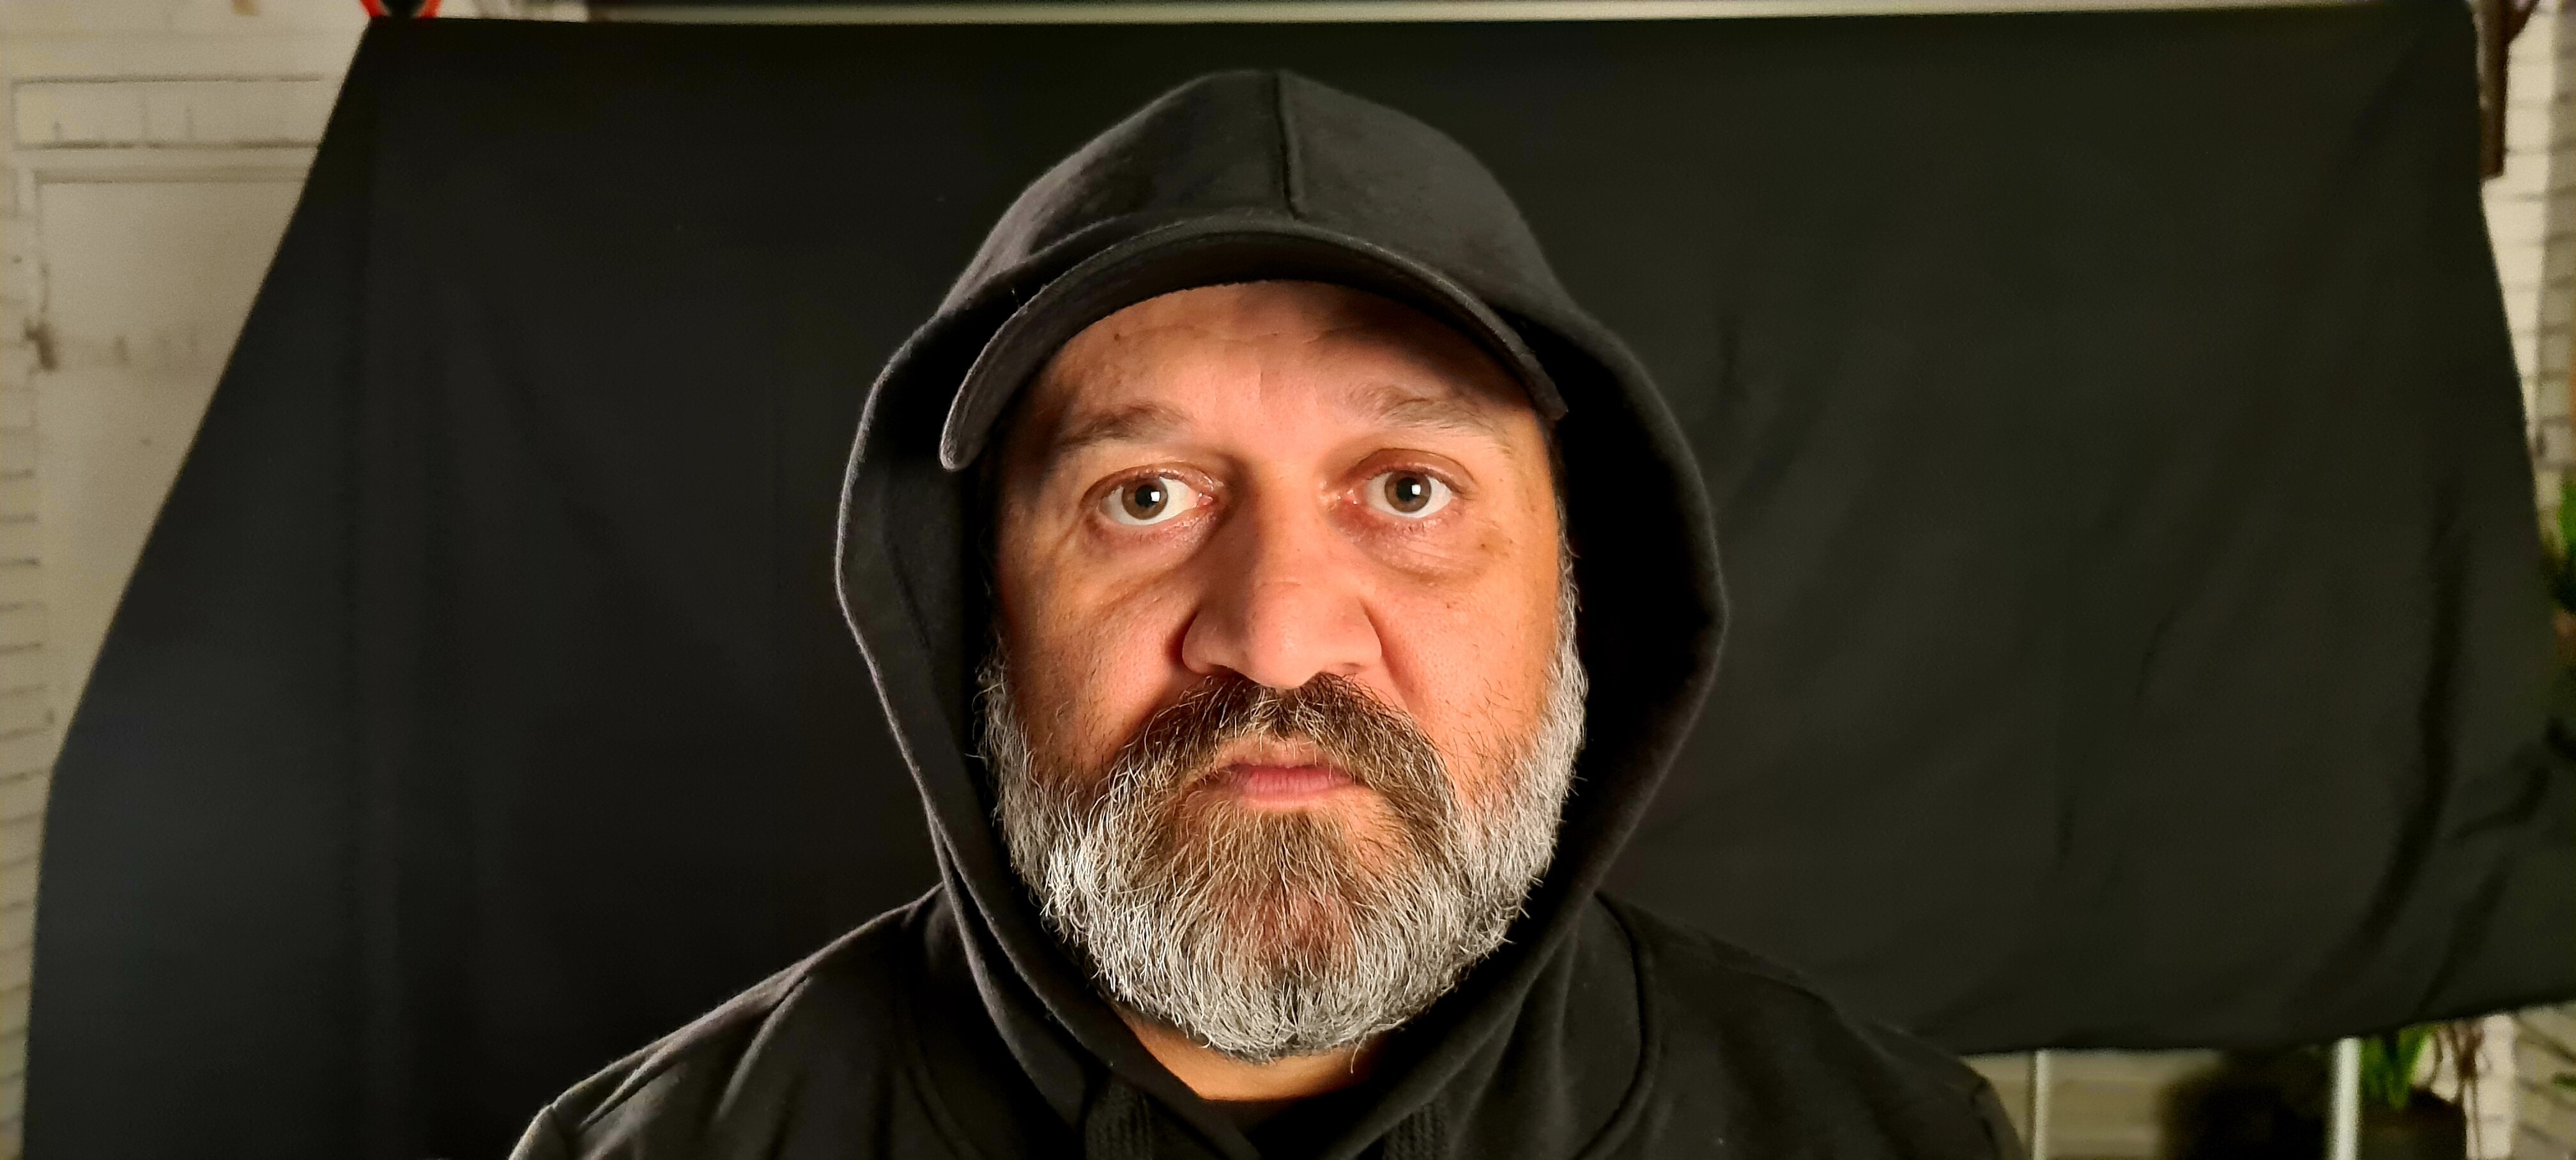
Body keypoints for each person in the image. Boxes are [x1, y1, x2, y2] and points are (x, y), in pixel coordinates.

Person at [512, 69, 2014, 1160]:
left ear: (1581, 595)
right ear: (971, 604)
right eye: (1145, 496)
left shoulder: (1883, 1135)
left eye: (1410, 490)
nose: (1280, 638)